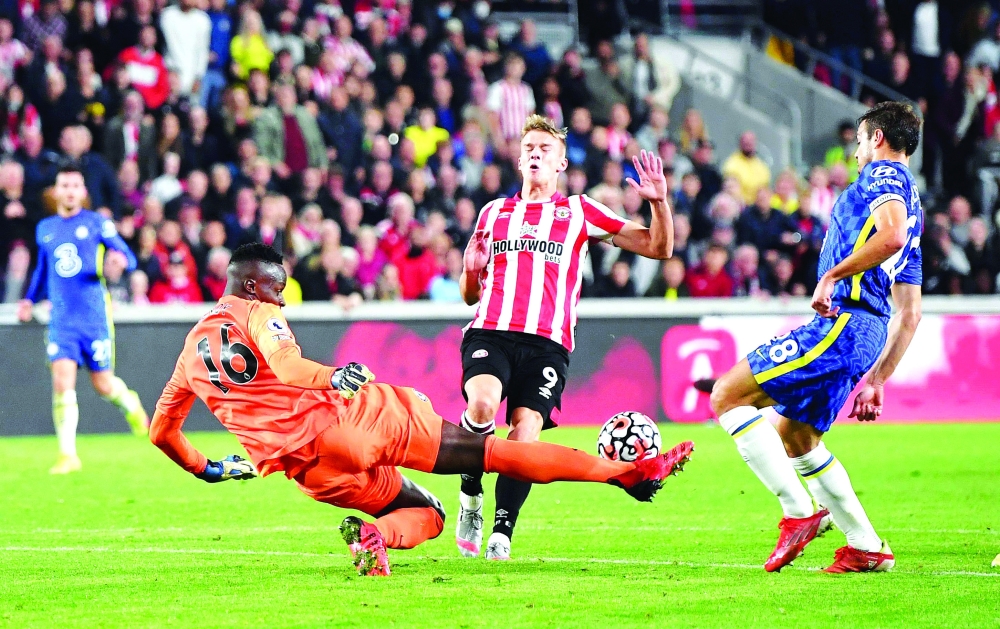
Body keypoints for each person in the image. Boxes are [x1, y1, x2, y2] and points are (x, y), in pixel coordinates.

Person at [149, 243, 695, 577]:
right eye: (277, 288)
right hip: (347, 421)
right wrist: (332, 376)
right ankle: (625, 473)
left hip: (312, 473)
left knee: (428, 515)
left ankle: (376, 539)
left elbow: (161, 433)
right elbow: (289, 368)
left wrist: (208, 468)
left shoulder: (186, 359)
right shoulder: (254, 311)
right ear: (250, 285)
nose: (282, 299)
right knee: (496, 453)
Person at [708, 102, 924, 573]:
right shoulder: (915, 209)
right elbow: (911, 313)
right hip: (865, 333)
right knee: (796, 436)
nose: (857, 150)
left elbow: (886, 239)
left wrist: (832, 277)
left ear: (880, 138)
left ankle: (799, 513)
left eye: (862, 139)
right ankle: (867, 545)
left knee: (727, 395)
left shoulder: (884, 178)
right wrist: (879, 379)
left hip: (843, 325)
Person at [455, 114, 676, 560]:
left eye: (545, 149)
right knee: (480, 405)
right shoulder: (493, 213)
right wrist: (470, 269)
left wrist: (658, 204)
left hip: (547, 344)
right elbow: (469, 296)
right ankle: (471, 494)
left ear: (560, 164)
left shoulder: (580, 210)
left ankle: (502, 529)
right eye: (530, 148)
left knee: (525, 434)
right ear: (519, 160)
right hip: (491, 330)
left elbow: (659, 247)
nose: (536, 154)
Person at [17, 165, 150, 474]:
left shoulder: (97, 224)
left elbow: (127, 257)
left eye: (75, 185)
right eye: (64, 185)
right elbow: (41, 270)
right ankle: (68, 455)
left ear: (83, 192)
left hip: (94, 317)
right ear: (56, 191)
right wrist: (28, 299)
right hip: (62, 319)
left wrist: (119, 262)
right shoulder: (45, 228)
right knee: (62, 381)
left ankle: (130, 404)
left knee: (103, 384)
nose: (70, 190)